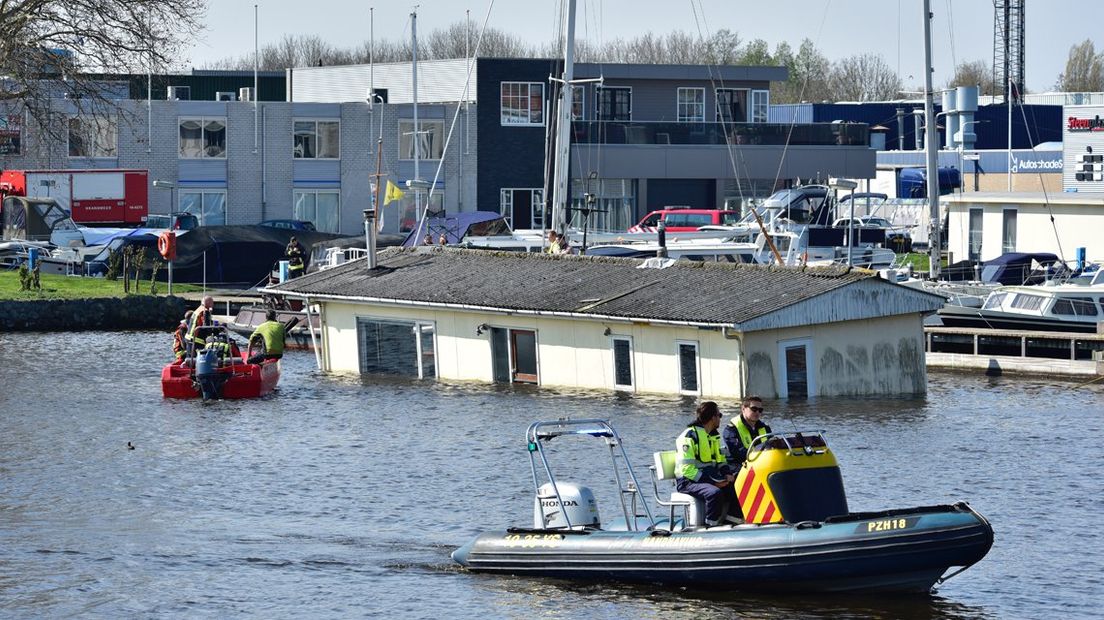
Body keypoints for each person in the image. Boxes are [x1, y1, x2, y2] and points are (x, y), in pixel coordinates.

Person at [675, 401, 737, 527]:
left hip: (709, 477)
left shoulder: (713, 437)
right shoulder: (689, 437)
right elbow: (687, 470)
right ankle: (711, 526)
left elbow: (721, 461)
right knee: (714, 492)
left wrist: (727, 474)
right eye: (719, 415)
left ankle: (732, 521)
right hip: (688, 481)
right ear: (713, 417)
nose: (720, 418)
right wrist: (714, 482)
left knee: (737, 486)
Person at [722, 395, 773, 471]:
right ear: (743, 409)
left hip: (762, 465)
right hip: (741, 468)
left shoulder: (765, 428)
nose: (757, 412)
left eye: (760, 410)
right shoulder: (731, 430)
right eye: (754, 409)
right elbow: (738, 454)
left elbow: (773, 447)